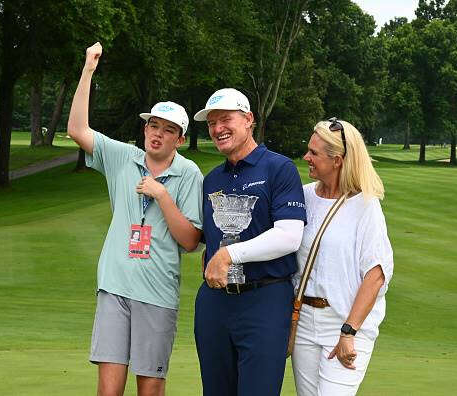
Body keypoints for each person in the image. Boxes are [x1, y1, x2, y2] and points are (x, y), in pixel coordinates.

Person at [67, 42, 203, 396]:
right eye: (153, 125)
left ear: (180, 138)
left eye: (168, 130)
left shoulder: (189, 174)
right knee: (108, 391)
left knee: (150, 388)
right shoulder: (122, 157)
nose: (157, 134)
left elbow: (189, 240)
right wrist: (88, 70)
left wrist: (162, 196)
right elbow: (78, 130)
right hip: (114, 286)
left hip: (157, 293)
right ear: (145, 129)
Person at [193, 88, 307, 396]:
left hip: (264, 299)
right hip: (215, 302)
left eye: (225, 119)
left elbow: (289, 235)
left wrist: (229, 254)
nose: (218, 129)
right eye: (212, 123)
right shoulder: (212, 179)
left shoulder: (279, 168)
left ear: (248, 120)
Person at [291, 118, 394, 396]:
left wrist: (349, 331)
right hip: (303, 324)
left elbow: (376, 274)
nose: (306, 157)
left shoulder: (365, 205)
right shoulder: (303, 196)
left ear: (337, 160)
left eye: (314, 153)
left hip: (344, 326)